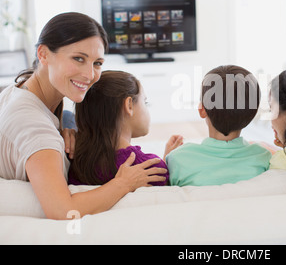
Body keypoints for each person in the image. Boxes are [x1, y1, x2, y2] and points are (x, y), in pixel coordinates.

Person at [0, 12, 167, 220]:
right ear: (43, 54)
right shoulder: (36, 129)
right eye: (78, 59)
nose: (90, 75)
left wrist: (64, 131)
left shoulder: (20, 90)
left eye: (97, 63)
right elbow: (62, 210)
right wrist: (123, 183)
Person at [68, 70, 183, 186]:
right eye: (145, 102)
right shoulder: (151, 169)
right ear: (129, 105)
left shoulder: (75, 165)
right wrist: (168, 166)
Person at [166, 65, 272, 186]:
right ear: (252, 114)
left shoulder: (178, 158)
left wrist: (165, 160)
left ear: (202, 110)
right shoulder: (264, 158)